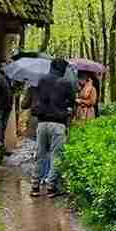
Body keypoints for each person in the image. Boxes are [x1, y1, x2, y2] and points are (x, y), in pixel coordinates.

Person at [31, 58, 76, 198]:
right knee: (56, 155)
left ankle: (35, 186)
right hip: (58, 123)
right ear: (62, 69)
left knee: (40, 154)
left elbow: (36, 98)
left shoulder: (42, 80)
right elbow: (72, 101)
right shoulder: (66, 83)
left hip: (42, 123)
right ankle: (51, 187)